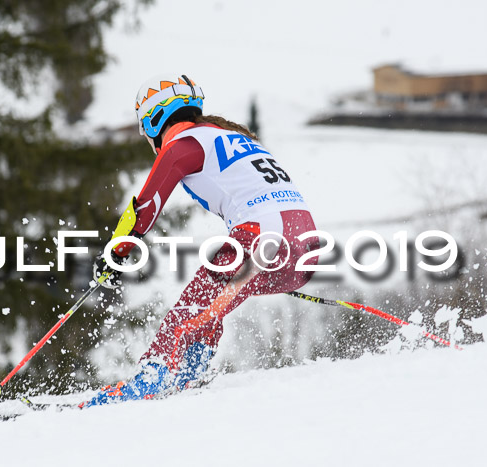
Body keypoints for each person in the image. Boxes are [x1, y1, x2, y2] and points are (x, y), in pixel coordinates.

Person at [82, 74, 319, 407]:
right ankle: (187, 371)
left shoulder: (184, 144)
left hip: (261, 241)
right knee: (208, 307)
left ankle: (153, 377)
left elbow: (145, 207)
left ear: (153, 122)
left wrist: (115, 252)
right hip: (303, 251)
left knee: (187, 314)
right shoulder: (231, 137)